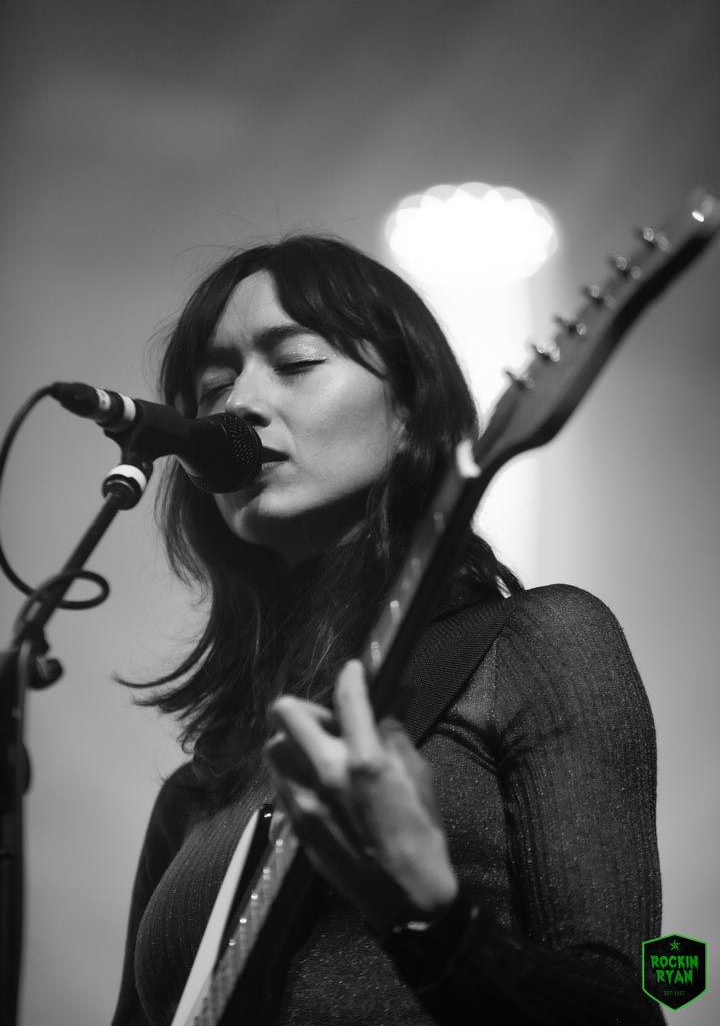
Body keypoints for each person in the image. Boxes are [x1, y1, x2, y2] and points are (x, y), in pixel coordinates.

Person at [111, 234, 664, 1025]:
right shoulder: (196, 791)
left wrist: (430, 922)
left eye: (296, 362)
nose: (238, 405)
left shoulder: (534, 647)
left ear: (408, 410)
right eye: (214, 385)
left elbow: (626, 1013)